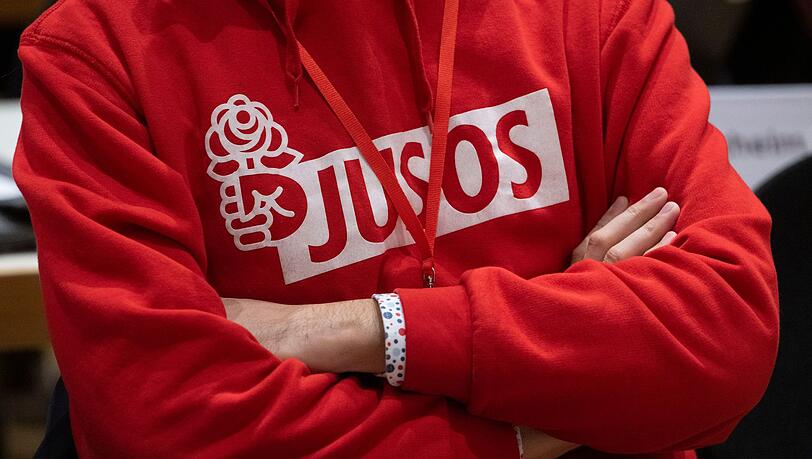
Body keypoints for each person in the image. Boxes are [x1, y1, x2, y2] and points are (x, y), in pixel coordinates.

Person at [12, 0, 778, 457]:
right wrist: (550, 413)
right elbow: (168, 422)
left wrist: (358, 330)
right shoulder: (96, 50)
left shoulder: (588, 11)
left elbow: (727, 327)